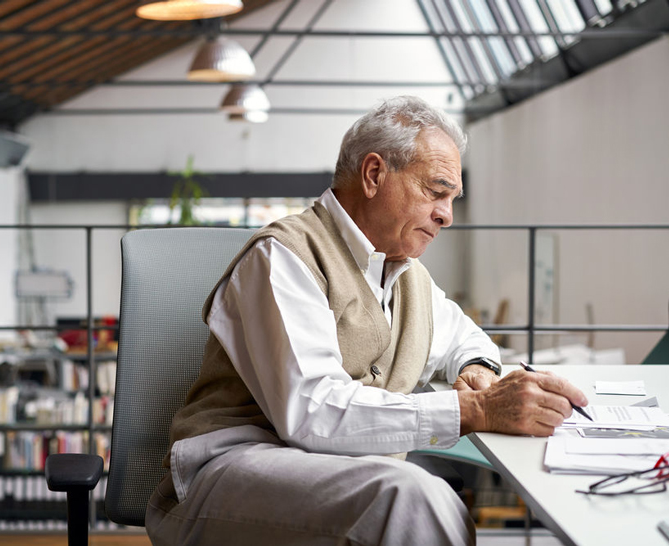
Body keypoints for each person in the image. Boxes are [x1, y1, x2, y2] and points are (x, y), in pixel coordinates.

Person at [145, 96, 588, 545]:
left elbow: (465, 338)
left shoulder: (407, 276)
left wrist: (478, 369)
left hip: (343, 480)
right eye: (436, 191)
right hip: (229, 473)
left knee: (416, 498)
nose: (446, 215)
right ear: (374, 175)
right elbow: (312, 412)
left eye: (452, 199)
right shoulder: (283, 256)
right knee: (411, 499)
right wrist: (476, 409)